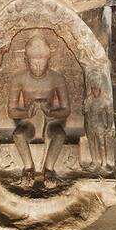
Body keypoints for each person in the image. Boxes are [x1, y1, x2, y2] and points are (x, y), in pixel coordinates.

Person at [8, 36, 70, 181]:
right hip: (27, 122)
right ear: (26, 61)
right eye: (33, 63)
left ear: (49, 61)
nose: (38, 67)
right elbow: (11, 111)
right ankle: (28, 168)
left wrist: (50, 112)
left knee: (59, 135)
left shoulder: (57, 79)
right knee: (18, 135)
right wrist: (26, 112)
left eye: (42, 63)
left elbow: (66, 110)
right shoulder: (18, 79)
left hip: (51, 122)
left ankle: (49, 169)